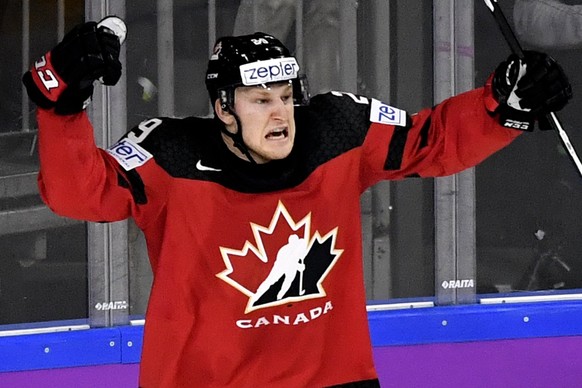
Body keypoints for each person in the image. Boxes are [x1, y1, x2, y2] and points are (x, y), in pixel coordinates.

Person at [21, 15, 571, 388]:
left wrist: (503, 104)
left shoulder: (335, 131)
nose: (280, 113)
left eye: (286, 96)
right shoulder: (168, 153)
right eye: (261, 100)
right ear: (223, 108)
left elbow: (432, 142)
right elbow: (79, 192)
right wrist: (60, 100)